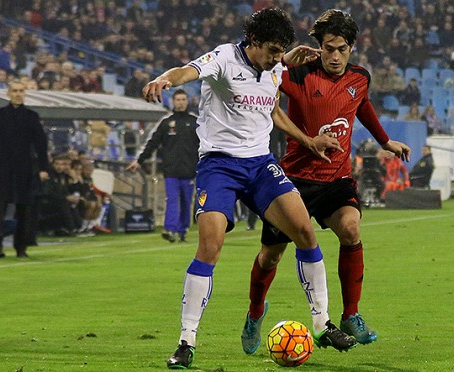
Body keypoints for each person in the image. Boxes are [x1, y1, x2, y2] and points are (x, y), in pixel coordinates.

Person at [141, 8, 353, 369]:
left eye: (280, 51)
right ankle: (186, 341)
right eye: (272, 50)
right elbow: (187, 71)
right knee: (210, 246)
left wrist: (307, 140)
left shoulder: (274, 66)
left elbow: (272, 111)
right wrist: (165, 79)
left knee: (305, 231)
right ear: (253, 41)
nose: (276, 58)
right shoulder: (224, 57)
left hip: (260, 165)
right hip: (219, 165)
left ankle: (321, 325)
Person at [242, 9, 411, 355]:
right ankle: (255, 312)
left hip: (337, 180)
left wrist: (384, 141)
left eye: (342, 49)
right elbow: (263, 80)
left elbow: (362, 106)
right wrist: (284, 62)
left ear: (351, 48)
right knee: (270, 257)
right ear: (318, 47)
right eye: (329, 49)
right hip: (294, 181)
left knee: (351, 229)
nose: (335, 56)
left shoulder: (360, 78)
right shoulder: (298, 75)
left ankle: (351, 315)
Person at [0, 81, 49, 258]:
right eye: (14, 91)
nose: (18, 94)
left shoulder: (32, 116)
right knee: (0, 207)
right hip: (4, 167)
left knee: (24, 209)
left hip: (25, 167)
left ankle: (21, 248)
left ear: (25, 94)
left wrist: (43, 168)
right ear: (8, 93)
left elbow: (41, 144)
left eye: (21, 91)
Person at [126, 89, 199, 243]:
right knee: (172, 200)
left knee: (186, 202)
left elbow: (205, 145)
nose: (181, 102)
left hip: (189, 171)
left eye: (183, 99)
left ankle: (183, 229)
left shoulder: (195, 122)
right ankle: (170, 229)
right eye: (178, 99)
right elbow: (152, 143)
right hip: (171, 171)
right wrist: (139, 160)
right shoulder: (166, 123)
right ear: (173, 102)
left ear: (187, 102)